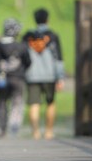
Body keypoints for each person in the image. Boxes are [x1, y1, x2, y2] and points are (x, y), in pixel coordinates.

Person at [22, 8, 64, 140]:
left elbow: (23, 55)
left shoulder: (27, 36)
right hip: (50, 75)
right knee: (50, 103)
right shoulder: (53, 36)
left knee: (34, 104)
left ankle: (35, 132)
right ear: (47, 19)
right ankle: (48, 131)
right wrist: (60, 77)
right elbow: (58, 58)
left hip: (32, 75)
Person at [0, 18, 32, 138]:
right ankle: (14, 129)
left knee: (2, 102)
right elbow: (28, 61)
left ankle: (2, 129)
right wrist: (23, 71)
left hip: (2, 79)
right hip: (18, 79)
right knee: (17, 103)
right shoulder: (21, 45)